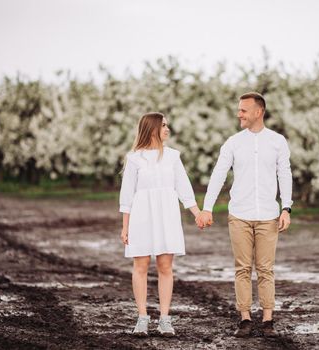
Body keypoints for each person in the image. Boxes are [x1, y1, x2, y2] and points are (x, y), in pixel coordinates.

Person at [195, 92, 293, 338]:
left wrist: (286, 207)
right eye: (239, 110)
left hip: (269, 215)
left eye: (243, 110)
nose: (239, 114)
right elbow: (218, 175)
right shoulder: (233, 142)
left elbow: (285, 174)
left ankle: (268, 319)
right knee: (242, 268)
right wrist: (207, 207)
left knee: (265, 268)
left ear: (258, 112)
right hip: (239, 214)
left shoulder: (278, 141)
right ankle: (245, 318)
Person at [119, 112, 200, 337]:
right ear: (152, 128)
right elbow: (127, 196)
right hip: (141, 216)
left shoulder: (173, 157)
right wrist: (125, 227)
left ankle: (165, 319)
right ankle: (142, 317)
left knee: (165, 267)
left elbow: (184, 189)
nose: (167, 129)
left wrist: (197, 213)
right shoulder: (134, 158)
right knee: (141, 266)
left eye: (168, 125)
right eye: (163, 125)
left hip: (167, 216)